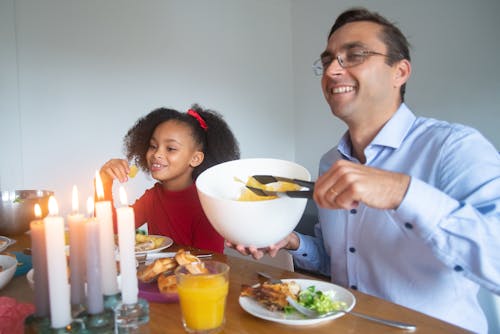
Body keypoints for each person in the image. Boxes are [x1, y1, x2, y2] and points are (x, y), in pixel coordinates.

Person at [232, 8, 500, 333]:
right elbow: (342, 262)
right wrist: (291, 241)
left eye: (354, 55)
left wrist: (403, 192)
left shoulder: (453, 148)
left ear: (399, 72)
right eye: (328, 59)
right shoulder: (331, 163)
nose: (332, 70)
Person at [99, 104, 240, 253]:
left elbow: (210, 263)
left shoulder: (206, 205)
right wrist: (104, 181)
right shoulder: (152, 197)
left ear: (195, 158)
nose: (156, 154)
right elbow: (109, 229)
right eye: (153, 146)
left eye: (170, 148)